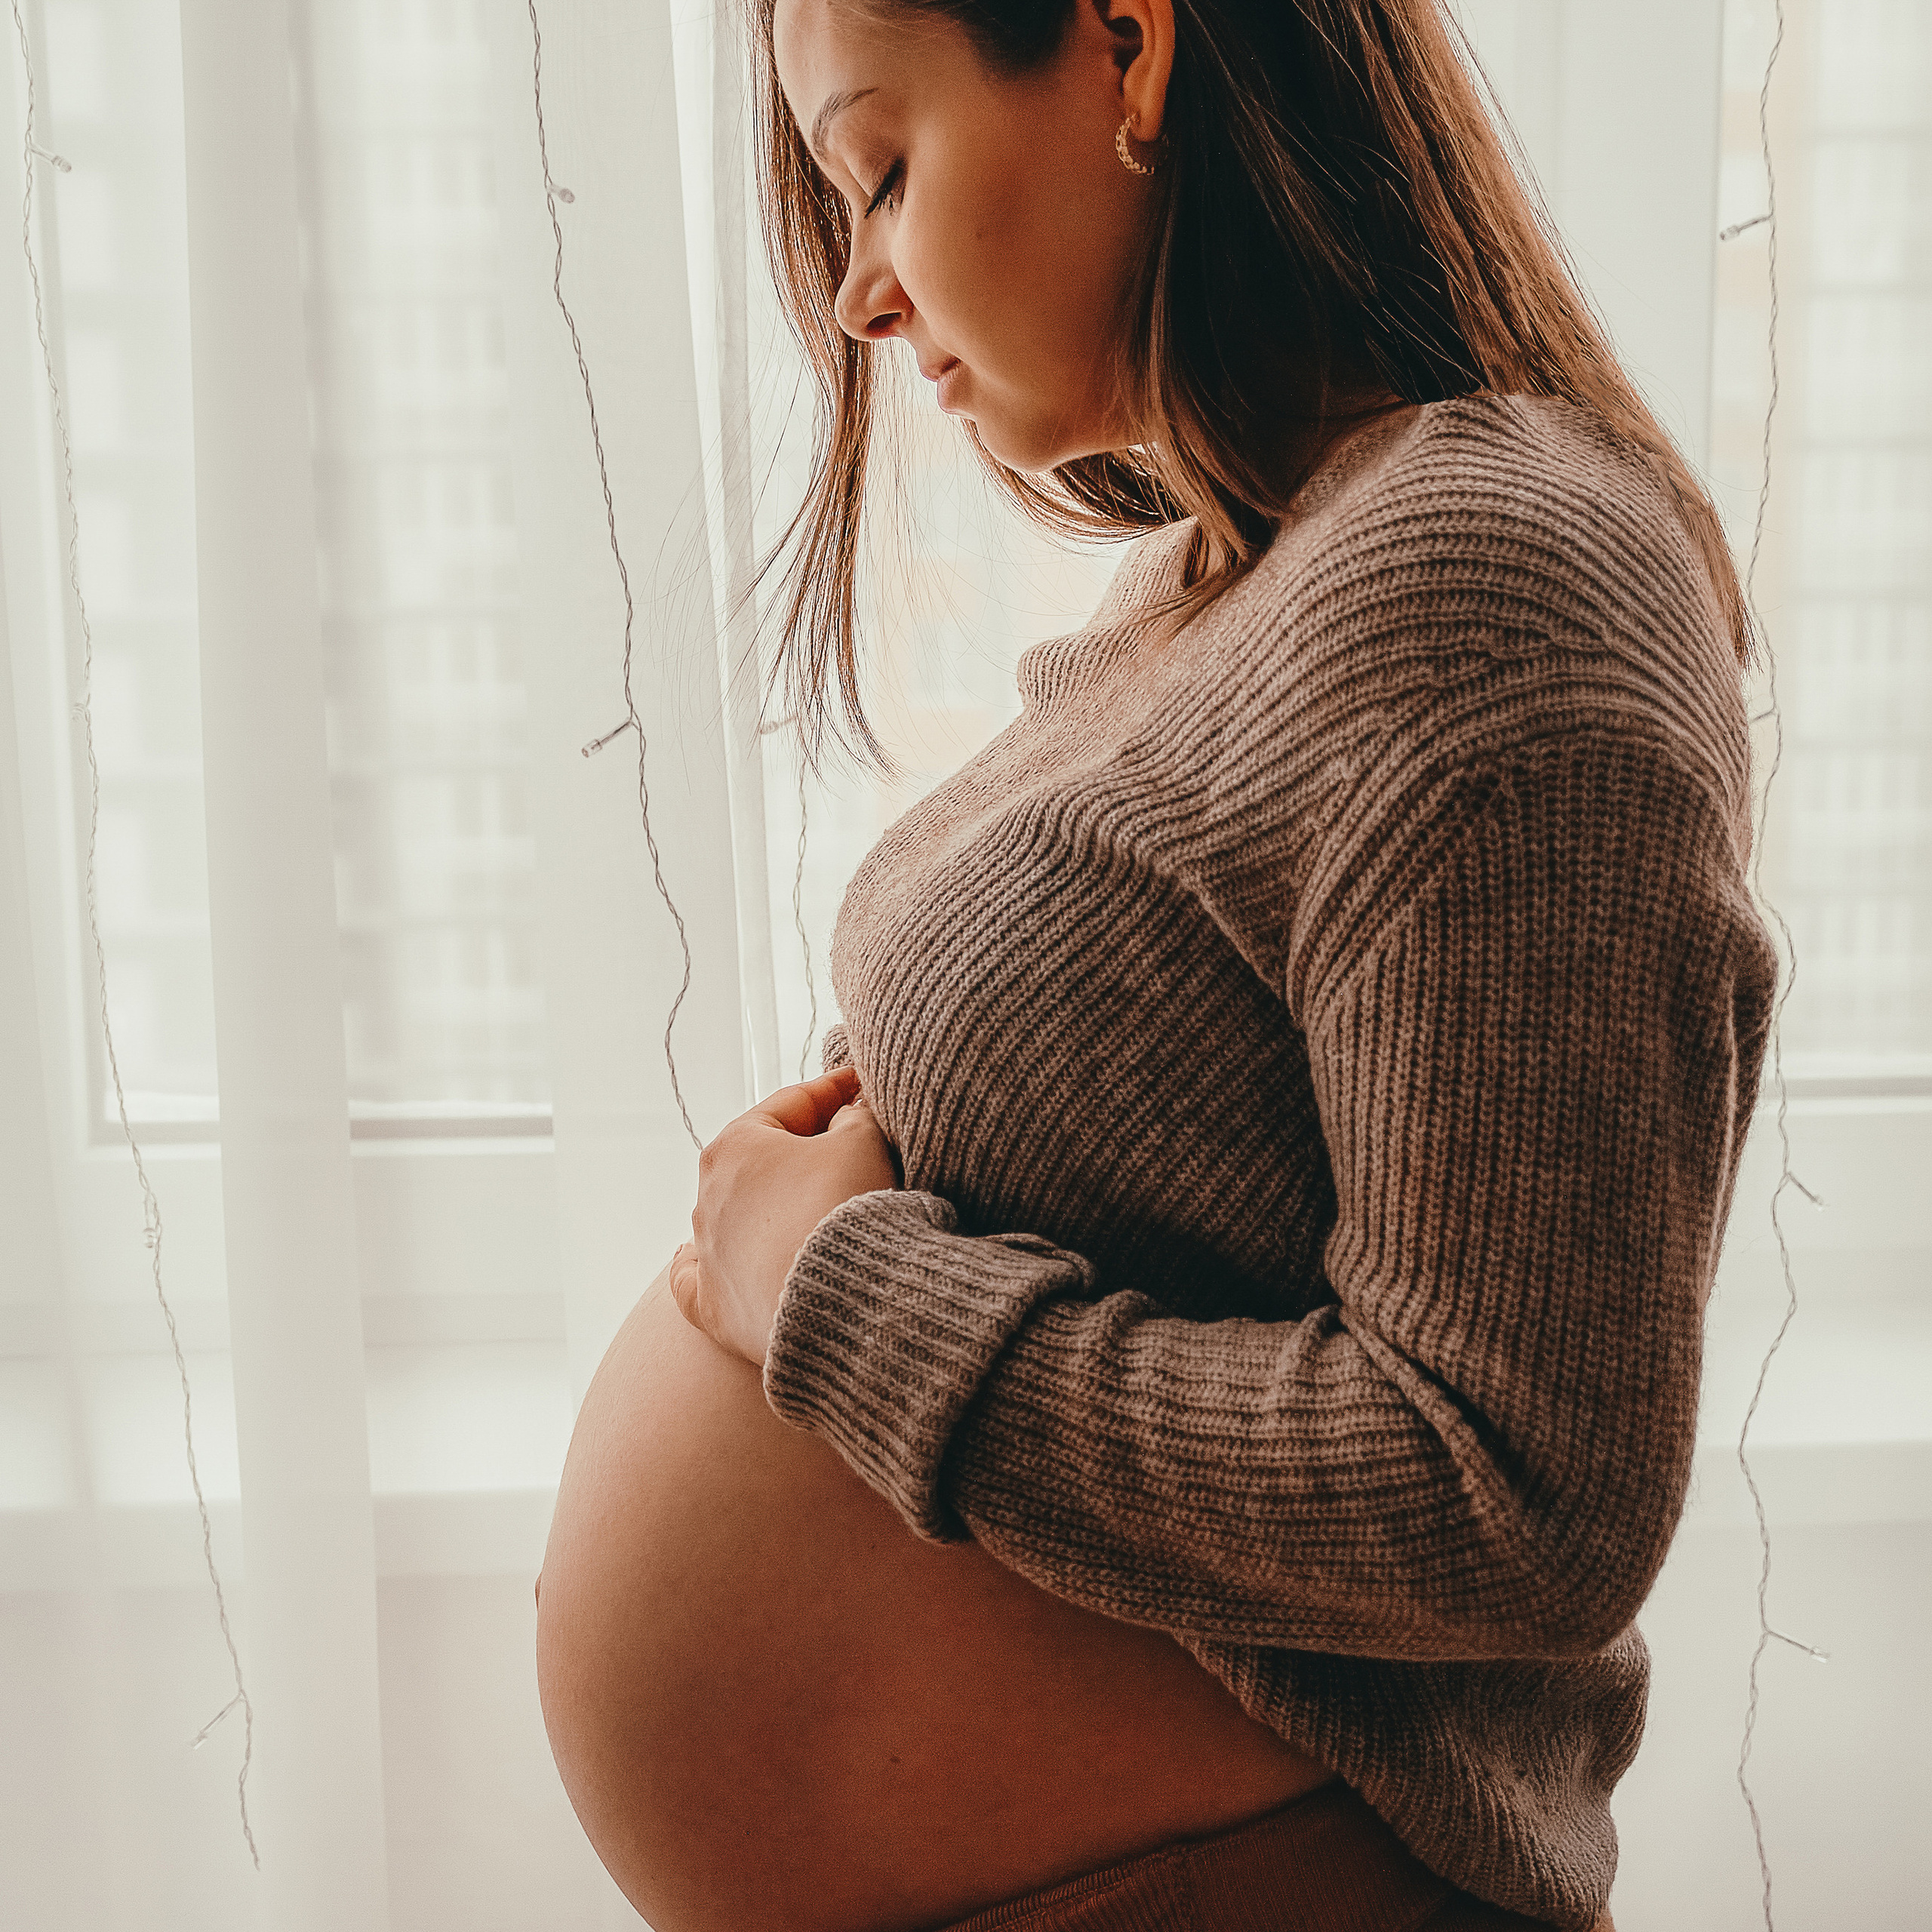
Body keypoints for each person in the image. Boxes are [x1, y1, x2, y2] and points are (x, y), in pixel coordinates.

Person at [533, 1, 1777, 1927]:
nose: (858, 292)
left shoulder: (1494, 577)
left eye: (875, 165)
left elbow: (1517, 1496)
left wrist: (830, 1290)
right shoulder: (1242, 572)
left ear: (1124, 44)